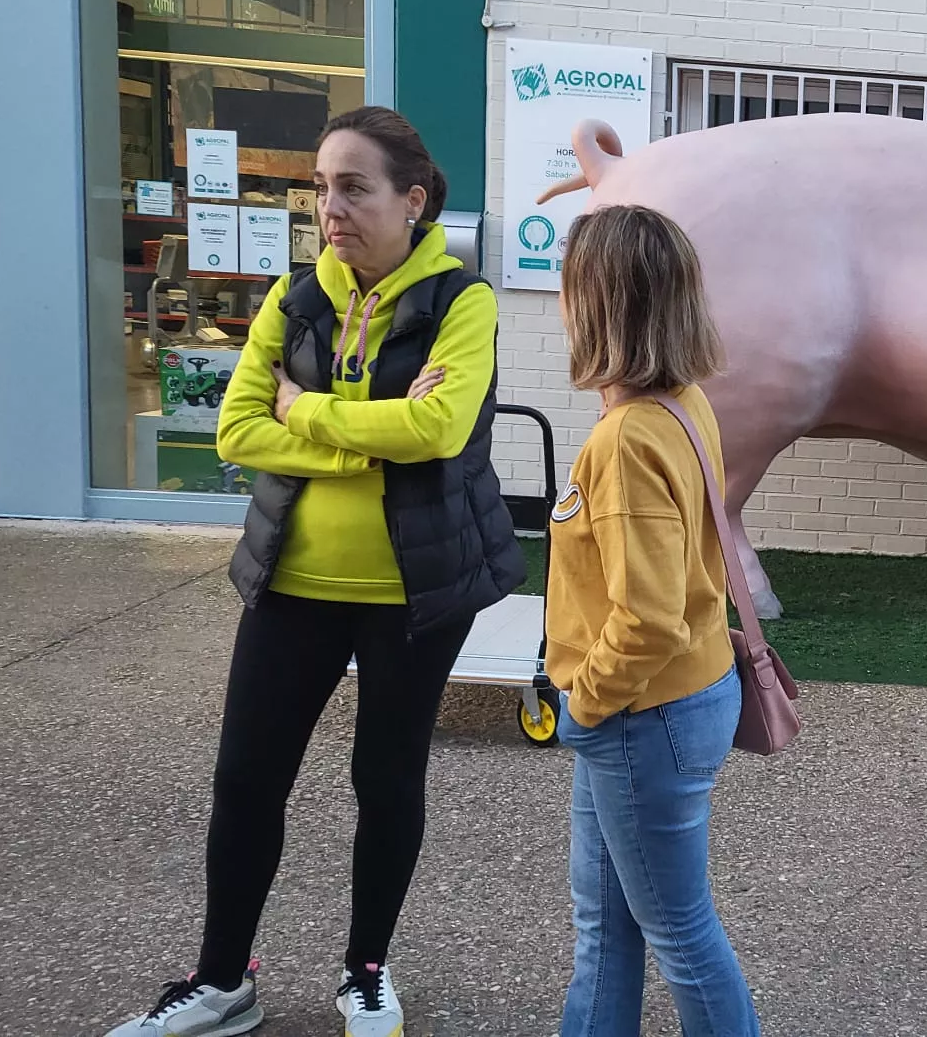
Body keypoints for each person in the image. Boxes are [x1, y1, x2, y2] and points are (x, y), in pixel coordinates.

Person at [106, 105, 525, 1037]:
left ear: (412, 201)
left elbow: (438, 430)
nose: (330, 208)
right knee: (247, 780)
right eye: (322, 188)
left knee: (387, 781)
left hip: (415, 590)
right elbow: (236, 430)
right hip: (293, 582)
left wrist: (304, 412)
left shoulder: (462, 302)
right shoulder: (294, 297)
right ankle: (222, 982)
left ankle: (366, 971)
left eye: (354, 187)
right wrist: (365, 438)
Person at [544, 204, 760, 1037]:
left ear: (597, 304)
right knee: (610, 926)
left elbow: (648, 618)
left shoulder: (627, 439)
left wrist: (586, 703)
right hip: (673, 703)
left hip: (640, 713)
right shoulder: (682, 404)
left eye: (569, 286)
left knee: (677, 932)